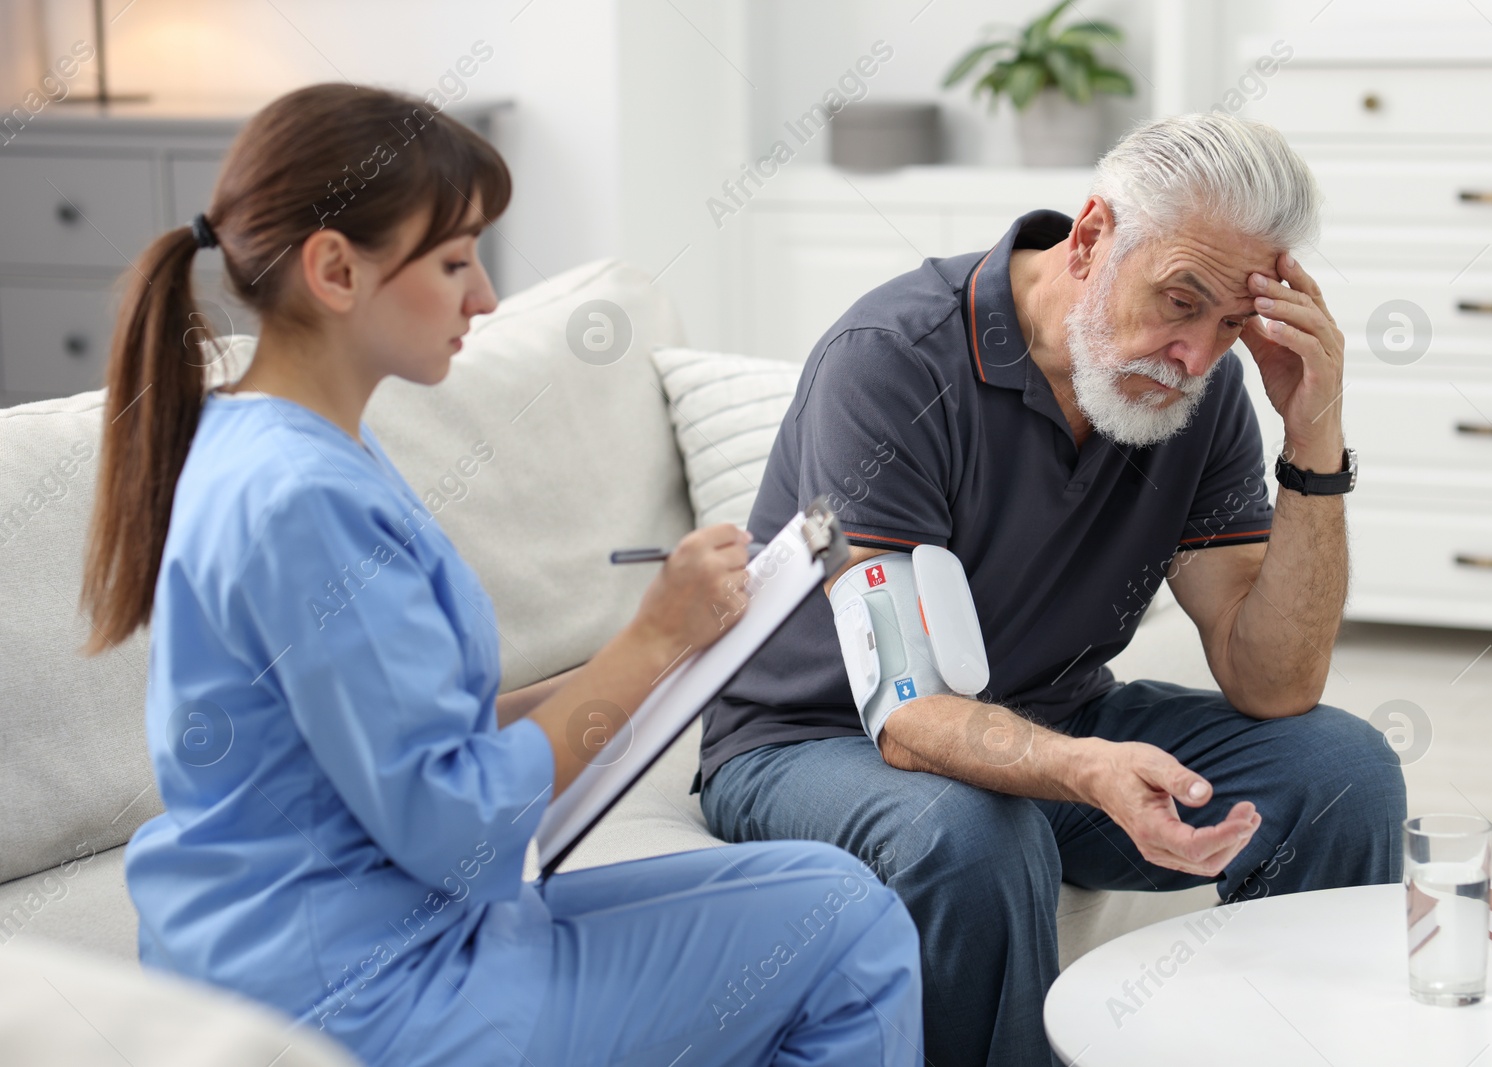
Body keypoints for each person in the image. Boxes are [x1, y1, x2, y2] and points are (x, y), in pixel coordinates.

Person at [79, 83, 921, 1067]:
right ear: (336, 269)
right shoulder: (301, 499)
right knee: (851, 935)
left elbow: (415, 732)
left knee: (827, 895)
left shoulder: (275, 447)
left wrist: (666, 654)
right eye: (452, 259)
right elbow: (459, 822)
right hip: (367, 995)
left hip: (326, 945)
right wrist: (651, 637)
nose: (483, 294)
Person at [697, 112, 1407, 1065]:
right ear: (1090, 238)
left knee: (1343, 769)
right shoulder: (893, 360)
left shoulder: (1197, 395)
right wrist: (1085, 769)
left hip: (1054, 717)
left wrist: (1313, 431)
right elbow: (905, 715)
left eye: (1231, 324)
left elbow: (1272, 682)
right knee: (975, 832)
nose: (1194, 354)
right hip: (812, 739)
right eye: (1179, 300)